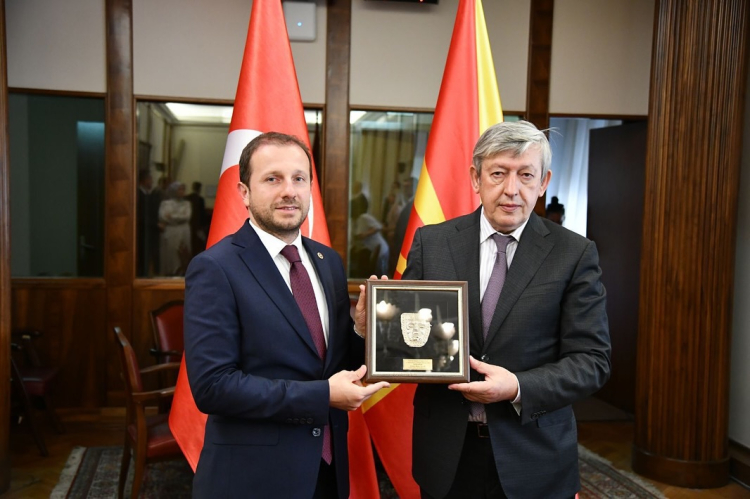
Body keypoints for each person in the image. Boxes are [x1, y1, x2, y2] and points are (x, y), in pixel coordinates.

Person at [402, 121, 611, 499]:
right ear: (476, 178)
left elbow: (592, 362)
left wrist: (517, 387)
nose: (512, 189)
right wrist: (374, 328)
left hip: (534, 456)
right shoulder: (432, 243)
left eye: (526, 175)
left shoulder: (574, 254)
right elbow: (407, 340)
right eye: (498, 173)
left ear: (543, 182)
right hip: (447, 455)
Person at [183, 132, 389, 499]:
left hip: (327, 470)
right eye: (272, 179)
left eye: (299, 178)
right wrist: (323, 396)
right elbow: (213, 387)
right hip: (255, 478)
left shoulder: (328, 261)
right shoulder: (215, 268)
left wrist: (359, 331)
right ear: (244, 192)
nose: (289, 191)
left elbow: (332, 364)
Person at [158, 181, 192, 276]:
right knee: (171, 254)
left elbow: (187, 217)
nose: (182, 191)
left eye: (183, 189)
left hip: (184, 230)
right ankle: (170, 273)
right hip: (171, 231)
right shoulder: (165, 204)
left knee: (183, 252)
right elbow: (163, 217)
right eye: (179, 189)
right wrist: (179, 216)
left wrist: (172, 216)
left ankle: (182, 273)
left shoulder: (187, 204)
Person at [136, 170, 161, 276]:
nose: (152, 181)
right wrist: (156, 224)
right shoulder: (138, 194)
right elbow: (142, 215)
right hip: (142, 231)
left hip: (150, 232)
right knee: (142, 257)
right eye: (150, 179)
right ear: (144, 180)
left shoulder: (148, 194)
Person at [185, 181, 208, 257]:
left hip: (189, 223)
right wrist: (203, 225)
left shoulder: (187, 198)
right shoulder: (200, 199)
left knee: (190, 242)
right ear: (200, 189)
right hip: (198, 224)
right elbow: (202, 213)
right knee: (197, 243)